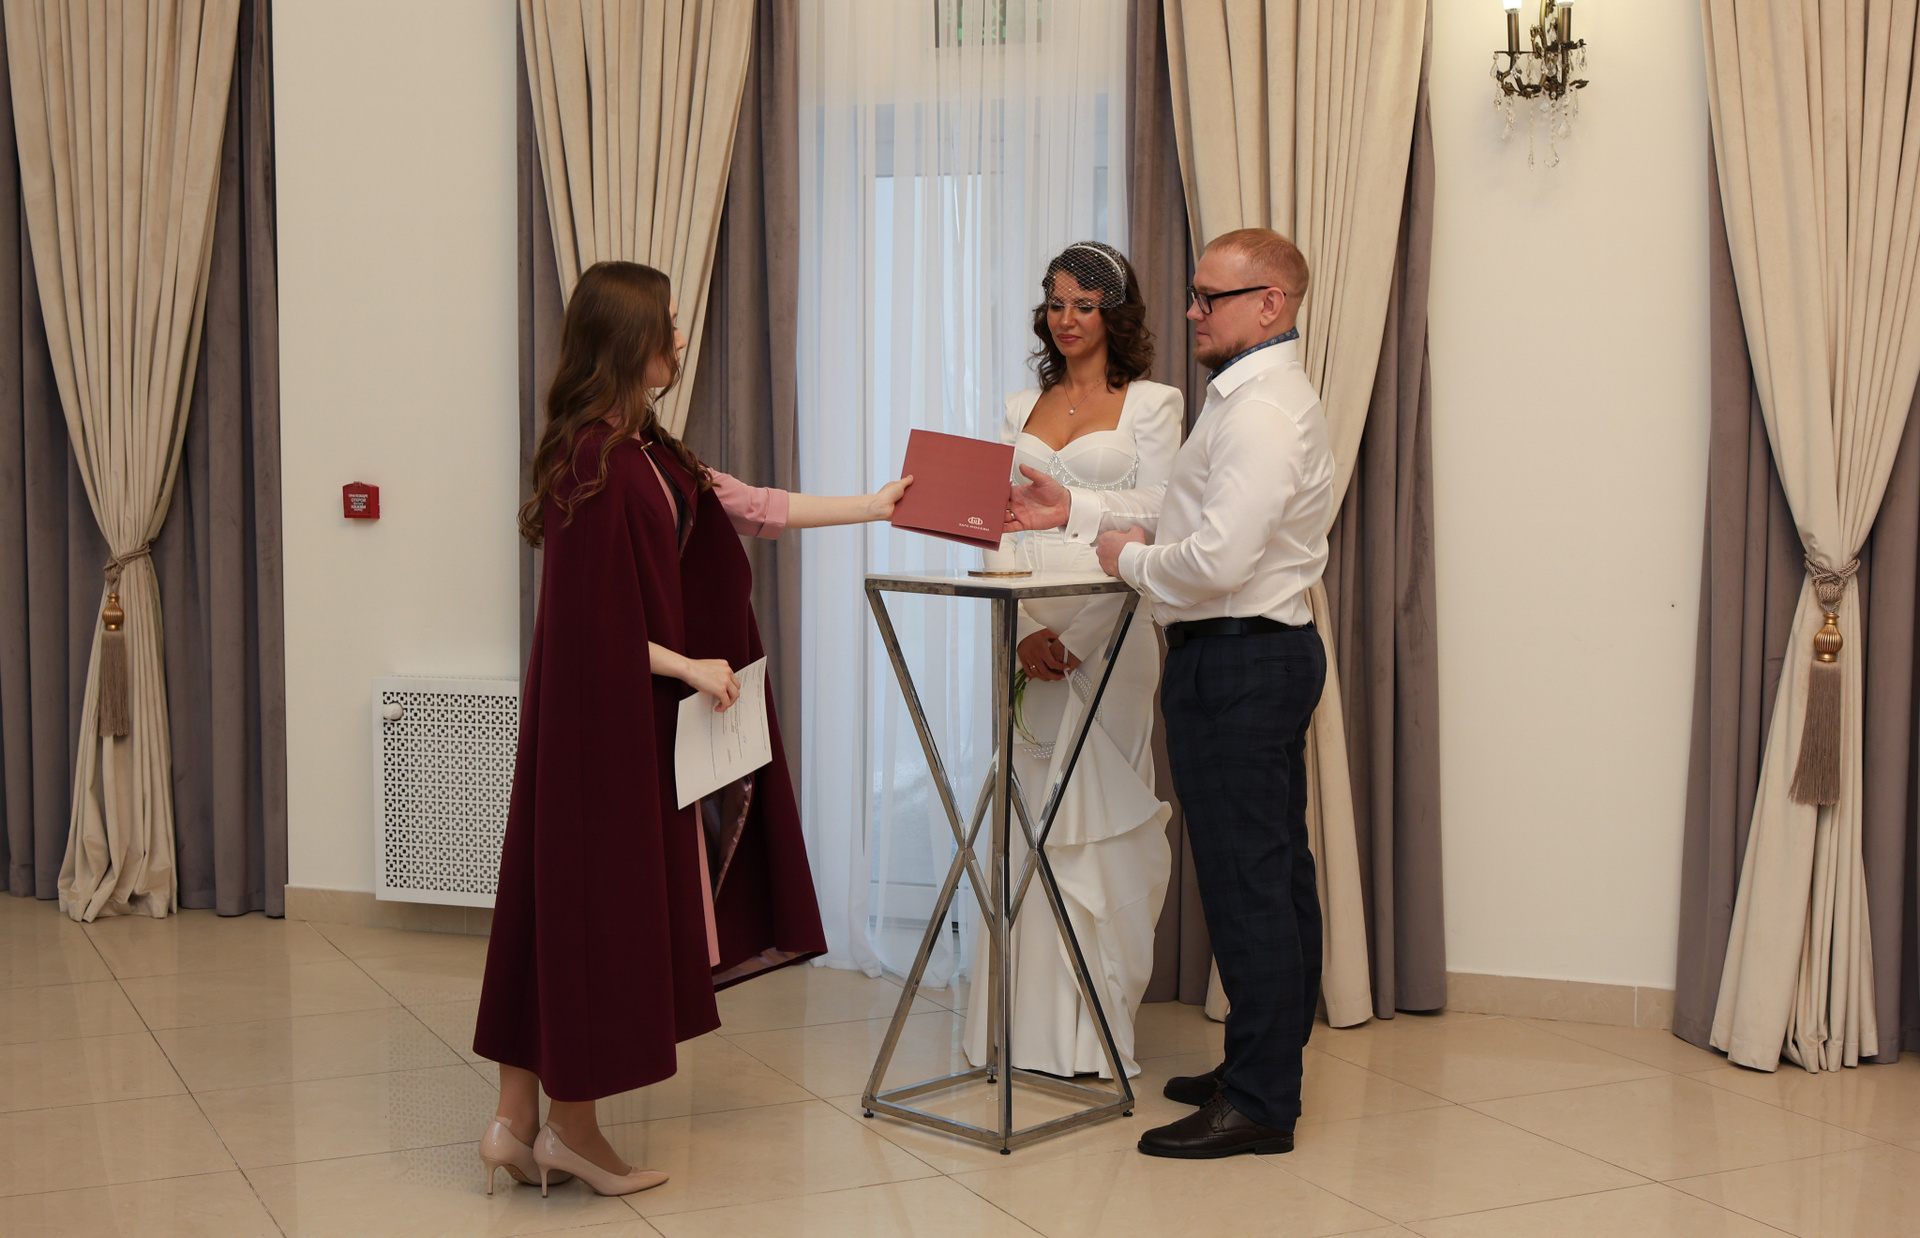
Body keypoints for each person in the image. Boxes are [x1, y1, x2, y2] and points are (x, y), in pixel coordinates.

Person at [473, 260, 911, 1196]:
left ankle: (513, 1122)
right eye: (668, 322)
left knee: (555, 905)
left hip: (607, 724)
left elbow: (754, 507)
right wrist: (691, 667)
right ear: (628, 337)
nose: (681, 336)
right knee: (594, 914)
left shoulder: (643, 453)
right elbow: (589, 626)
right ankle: (573, 1134)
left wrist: (873, 506)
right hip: (602, 733)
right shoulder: (595, 460)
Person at [1007, 228, 1331, 1158]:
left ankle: (1261, 1102)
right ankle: (1258, 1066)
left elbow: (1213, 558)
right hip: (1243, 655)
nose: (1192, 311)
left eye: (1208, 298)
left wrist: (1126, 562)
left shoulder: (1261, 413)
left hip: (1241, 658)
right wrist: (1075, 509)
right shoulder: (1245, 400)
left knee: (1248, 882)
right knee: (1271, 874)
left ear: (1269, 304)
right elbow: (1178, 506)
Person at [962, 241, 1181, 1080]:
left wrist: (1083, 632)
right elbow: (991, 515)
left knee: (1099, 817)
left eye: (1085, 305)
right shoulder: (1021, 404)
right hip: (1025, 625)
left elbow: (1163, 508)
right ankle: (1021, 1032)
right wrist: (1020, 626)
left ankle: (1093, 1034)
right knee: (1026, 813)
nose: (1067, 319)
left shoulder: (1153, 404)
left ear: (1115, 315)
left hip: (1113, 621)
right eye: (1056, 304)